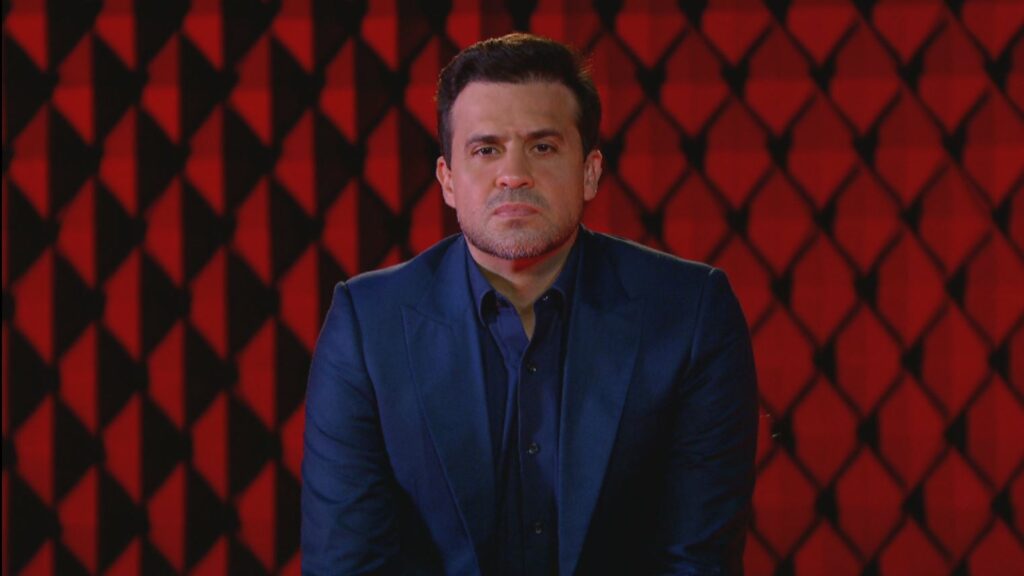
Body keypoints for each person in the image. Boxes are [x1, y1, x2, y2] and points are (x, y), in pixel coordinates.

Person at [301, 33, 758, 575]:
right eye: (486, 149)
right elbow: (347, 563)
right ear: (447, 180)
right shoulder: (367, 326)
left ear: (589, 171)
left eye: (542, 147)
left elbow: (698, 561)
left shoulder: (690, 314)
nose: (513, 174)